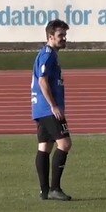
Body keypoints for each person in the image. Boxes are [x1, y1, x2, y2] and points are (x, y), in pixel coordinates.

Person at [31, 19, 72, 201]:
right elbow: (42, 81)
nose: (64, 38)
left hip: (41, 109)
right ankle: (55, 188)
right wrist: (54, 105)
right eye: (60, 35)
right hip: (48, 109)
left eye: (64, 35)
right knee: (64, 144)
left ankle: (44, 191)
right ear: (50, 36)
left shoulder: (48, 54)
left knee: (44, 147)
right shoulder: (47, 55)